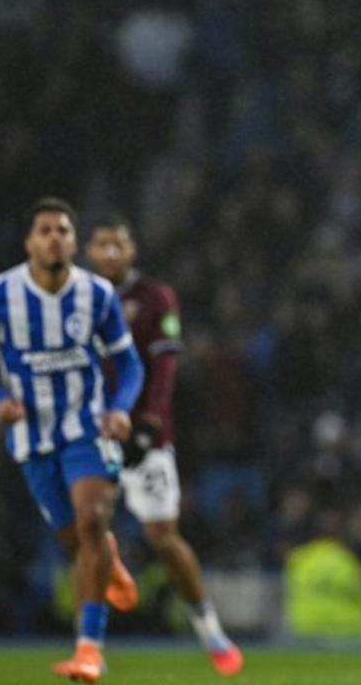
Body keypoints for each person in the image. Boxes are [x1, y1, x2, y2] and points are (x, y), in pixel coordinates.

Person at [0, 197, 144, 683]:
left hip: (87, 425)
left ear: (74, 241)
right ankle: (110, 561)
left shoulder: (97, 295)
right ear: (29, 242)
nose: (55, 237)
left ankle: (88, 650)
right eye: (45, 230)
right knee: (72, 537)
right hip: (32, 435)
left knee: (92, 520)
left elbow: (130, 364)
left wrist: (120, 408)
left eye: (62, 229)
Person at [86, 217, 243, 677]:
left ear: (131, 250)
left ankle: (210, 630)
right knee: (87, 531)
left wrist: (150, 424)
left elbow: (165, 369)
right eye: (102, 245)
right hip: (93, 435)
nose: (111, 253)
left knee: (163, 539)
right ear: (90, 251)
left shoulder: (155, 298)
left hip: (148, 439)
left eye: (119, 244)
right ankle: (89, 645)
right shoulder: (76, 299)